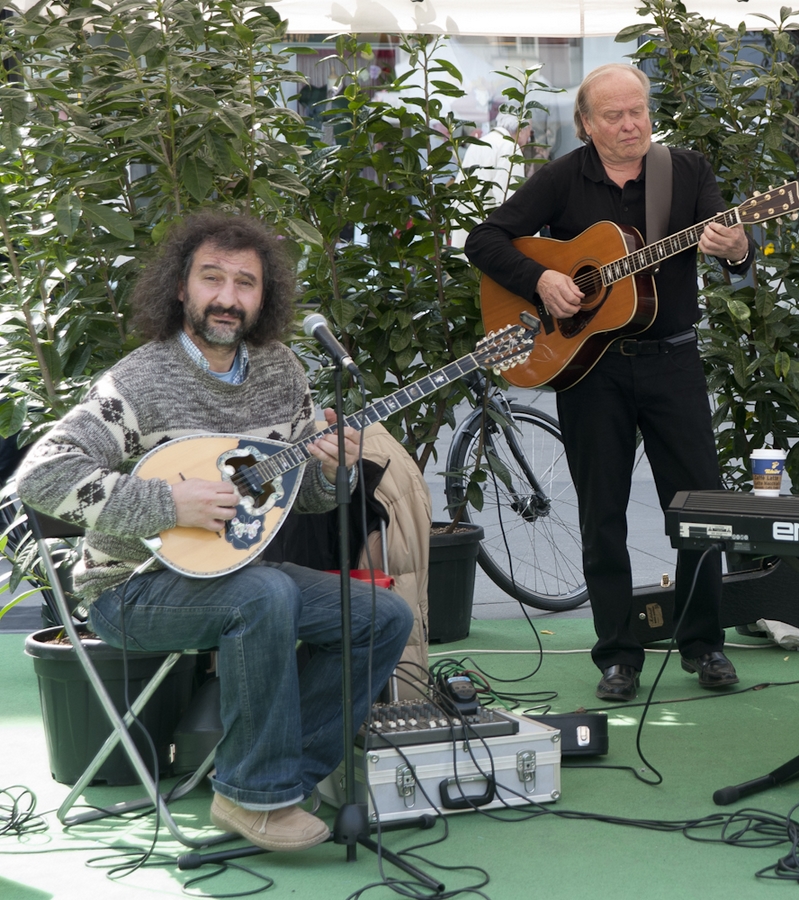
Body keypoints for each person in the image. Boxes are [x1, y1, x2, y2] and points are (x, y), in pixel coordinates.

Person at [17, 212, 412, 852]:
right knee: (267, 597)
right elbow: (40, 475)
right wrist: (167, 503)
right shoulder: (140, 381)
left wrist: (334, 470)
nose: (227, 297)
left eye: (245, 283)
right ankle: (252, 796)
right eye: (212, 278)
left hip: (234, 572)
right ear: (182, 288)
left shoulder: (284, 373)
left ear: (265, 297)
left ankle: (280, 780)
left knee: (380, 615)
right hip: (132, 588)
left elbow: (303, 498)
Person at [467, 63, 753, 702]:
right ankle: (617, 654)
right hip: (591, 369)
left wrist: (735, 246)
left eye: (639, 112)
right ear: (587, 124)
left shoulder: (687, 171)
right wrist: (541, 279)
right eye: (615, 116)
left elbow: (731, 247)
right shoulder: (564, 178)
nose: (631, 125)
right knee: (603, 514)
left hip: (672, 361)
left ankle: (704, 643)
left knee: (701, 508)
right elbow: (483, 240)